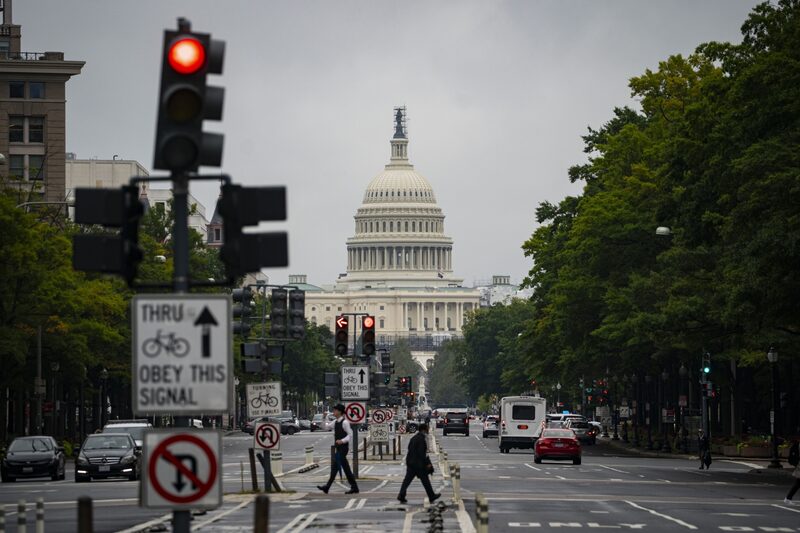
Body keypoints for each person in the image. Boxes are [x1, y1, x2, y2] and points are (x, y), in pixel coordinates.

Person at [318, 404, 359, 494]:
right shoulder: (335, 422)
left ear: (340, 412)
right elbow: (325, 427)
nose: (334, 412)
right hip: (338, 448)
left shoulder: (345, 422)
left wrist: (342, 441)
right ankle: (327, 487)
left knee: (344, 468)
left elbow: (350, 434)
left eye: (335, 410)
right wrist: (324, 418)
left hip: (343, 448)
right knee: (336, 468)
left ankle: (354, 487)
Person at [397, 423, 441, 504]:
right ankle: (431, 496)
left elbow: (409, 449)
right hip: (418, 464)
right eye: (427, 429)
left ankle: (401, 495)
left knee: (407, 481)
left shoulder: (414, 438)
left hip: (411, 462)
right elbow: (422, 453)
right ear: (424, 429)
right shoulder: (421, 439)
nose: (428, 430)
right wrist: (427, 463)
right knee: (425, 481)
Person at [784, 439, 799, 505]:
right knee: (798, 483)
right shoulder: (798, 445)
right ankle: (788, 498)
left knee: (798, 483)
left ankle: (788, 498)